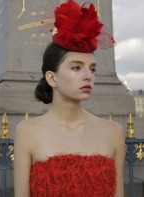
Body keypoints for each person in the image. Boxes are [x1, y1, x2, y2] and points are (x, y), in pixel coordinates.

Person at [14, 0, 125, 197]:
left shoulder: (113, 132)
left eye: (92, 69)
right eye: (76, 67)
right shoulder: (27, 132)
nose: (88, 76)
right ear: (52, 78)